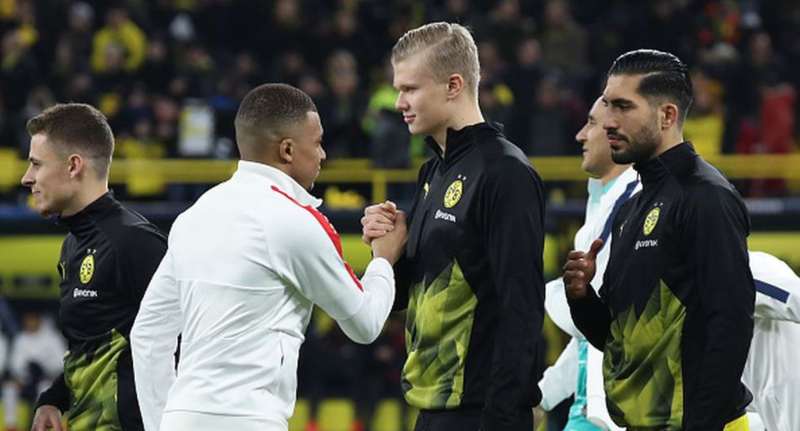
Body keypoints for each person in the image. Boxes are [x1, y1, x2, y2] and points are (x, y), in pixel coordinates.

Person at [130, 83, 407, 431]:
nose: (323, 155)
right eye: (318, 143)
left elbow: (148, 335)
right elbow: (364, 324)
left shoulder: (192, 217)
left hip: (180, 418)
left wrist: (162, 423)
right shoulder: (296, 221)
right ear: (287, 150)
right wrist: (383, 258)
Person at [544, 97, 800, 431]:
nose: (583, 134)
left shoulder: (744, 261)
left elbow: (764, 291)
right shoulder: (617, 218)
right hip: (637, 411)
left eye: (594, 122)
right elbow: (608, 339)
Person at [361, 22, 546, 431]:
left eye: (410, 89)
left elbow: (523, 307)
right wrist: (387, 253)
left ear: (453, 85)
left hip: (482, 414)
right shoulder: (433, 171)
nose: (398, 102)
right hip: (433, 409)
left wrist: (502, 417)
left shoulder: (506, 172)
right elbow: (413, 293)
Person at [563, 49, 755, 431]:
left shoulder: (706, 197)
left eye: (622, 107)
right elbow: (619, 341)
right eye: (606, 105)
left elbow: (731, 323)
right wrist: (582, 299)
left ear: (667, 115)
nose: (608, 122)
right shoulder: (632, 207)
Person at [20, 103, 167, 431]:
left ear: (73, 166)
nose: (26, 178)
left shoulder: (133, 243)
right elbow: (93, 347)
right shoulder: (73, 245)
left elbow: (188, 345)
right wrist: (54, 399)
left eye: (36, 164)